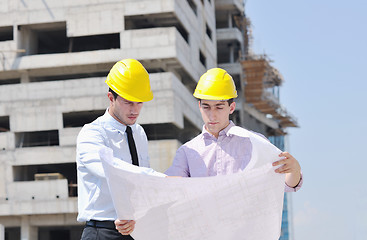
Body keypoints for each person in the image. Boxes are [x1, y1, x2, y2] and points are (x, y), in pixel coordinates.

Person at [164, 67, 302, 191]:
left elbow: (284, 184)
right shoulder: (187, 152)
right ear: (199, 106)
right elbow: (170, 189)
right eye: (206, 107)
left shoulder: (254, 143)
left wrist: (294, 170)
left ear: (231, 107)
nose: (212, 115)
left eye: (219, 107)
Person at [76, 59, 164, 240]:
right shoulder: (92, 133)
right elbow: (112, 169)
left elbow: (138, 186)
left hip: (135, 229)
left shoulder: (138, 133)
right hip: (101, 231)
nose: (135, 110)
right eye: (128, 102)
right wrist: (162, 179)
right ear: (111, 98)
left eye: (139, 102)